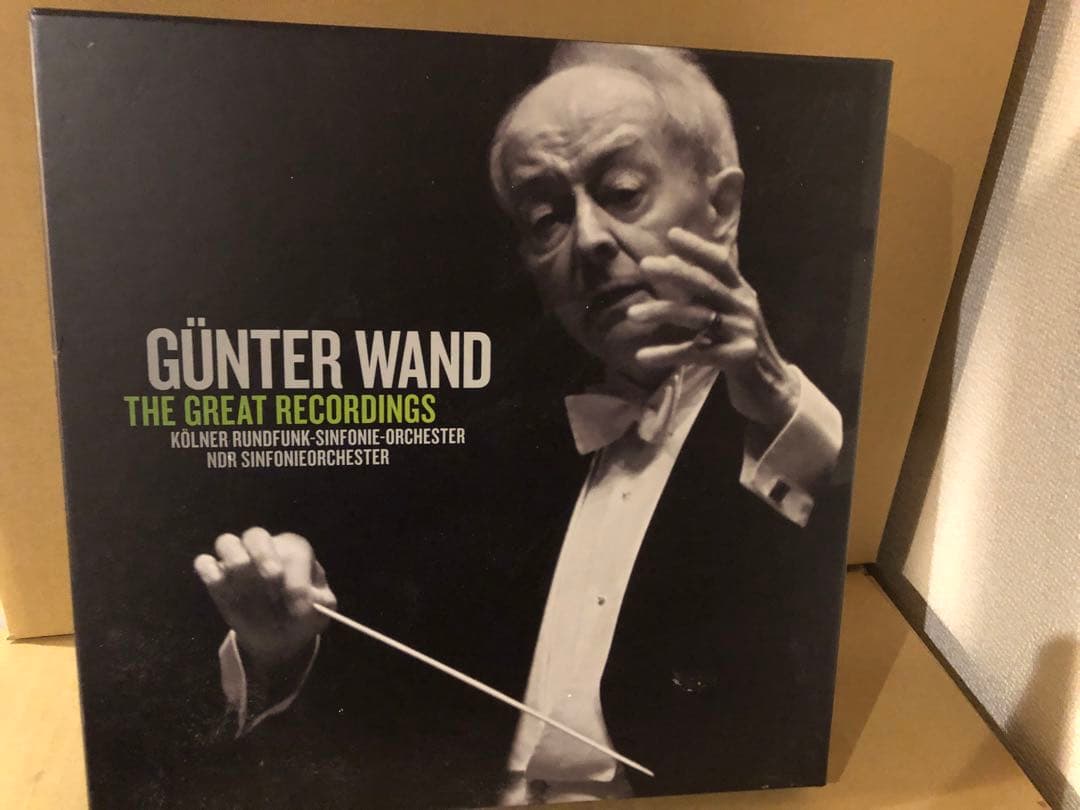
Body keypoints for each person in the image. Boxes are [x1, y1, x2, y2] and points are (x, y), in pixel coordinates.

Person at [194, 41, 844, 808]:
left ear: (722, 207)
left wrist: (775, 394)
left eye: (624, 191)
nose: (590, 240)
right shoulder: (499, 456)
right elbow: (391, 711)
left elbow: (828, 571)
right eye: (546, 218)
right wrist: (279, 648)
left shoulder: (813, 410)